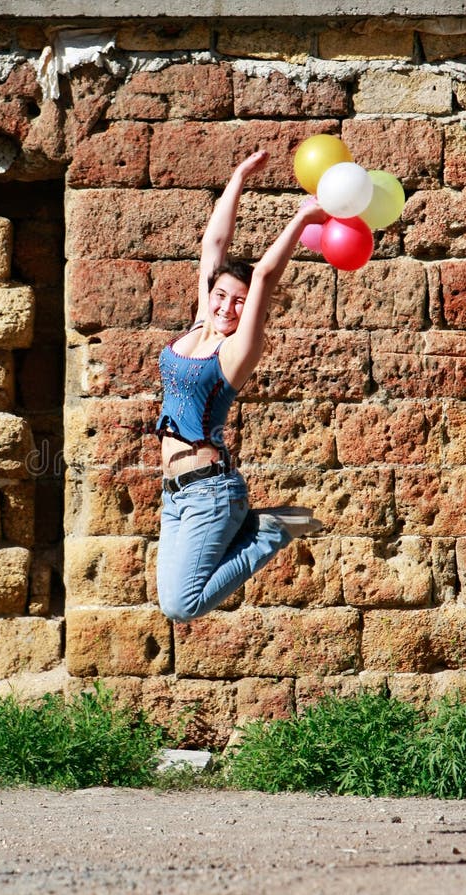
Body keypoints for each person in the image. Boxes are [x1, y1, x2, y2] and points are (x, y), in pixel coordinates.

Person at [155, 150, 326, 623]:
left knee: (180, 606)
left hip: (211, 491)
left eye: (240, 302)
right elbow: (214, 242)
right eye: (221, 295)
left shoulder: (235, 353)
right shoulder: (195, 328)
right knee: (170, 601)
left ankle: (271, 529)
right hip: (174, 492)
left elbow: (267, 274)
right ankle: (258, 524)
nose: (228, 308)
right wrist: (238, 177)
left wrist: (301, 218)